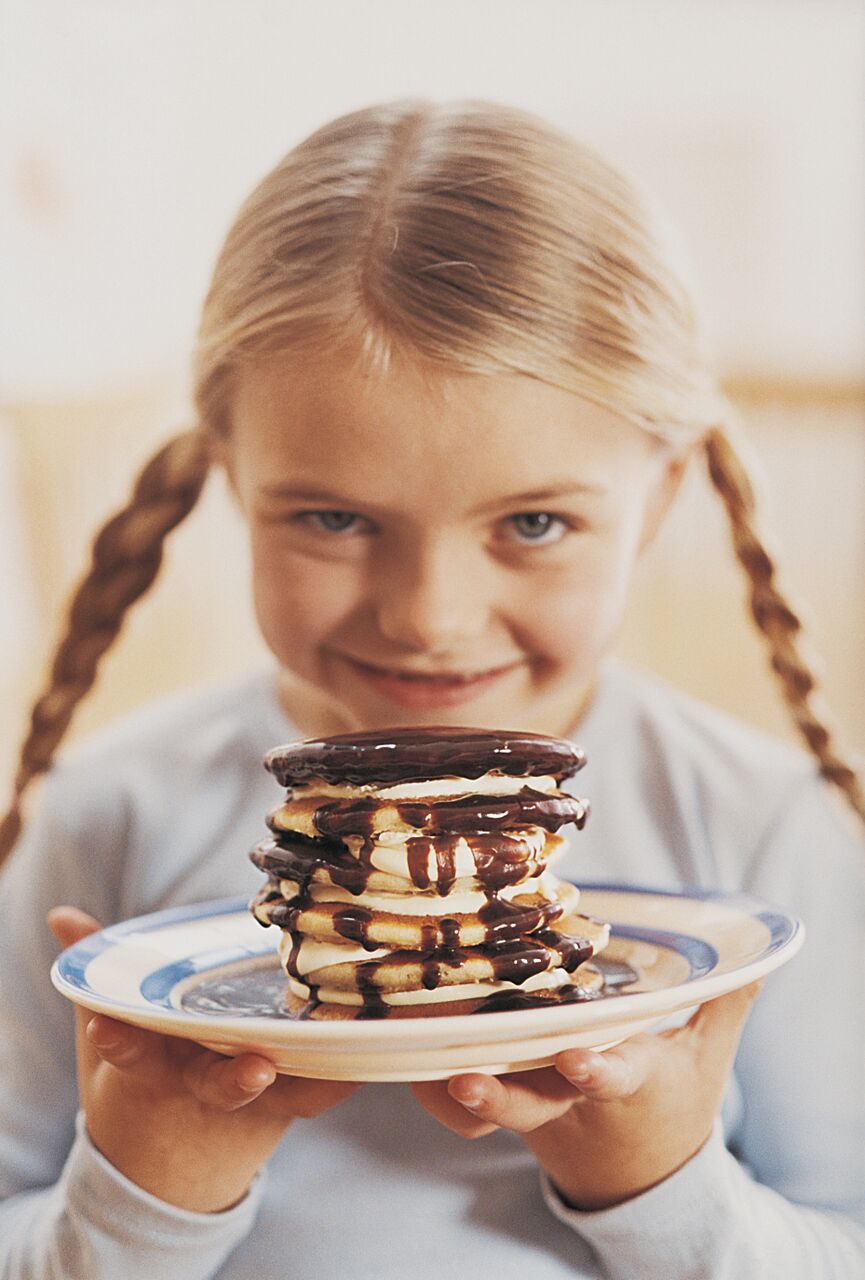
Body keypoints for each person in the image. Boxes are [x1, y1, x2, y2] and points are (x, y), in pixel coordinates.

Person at [0, 99, 862, 1280]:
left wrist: (661, 1177)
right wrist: (142, 1192)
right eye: (333, 517)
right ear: (227, 478)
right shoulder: (107, 822)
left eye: (535, 520)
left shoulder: (764, 829)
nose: (428, 615)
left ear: (658, 500)